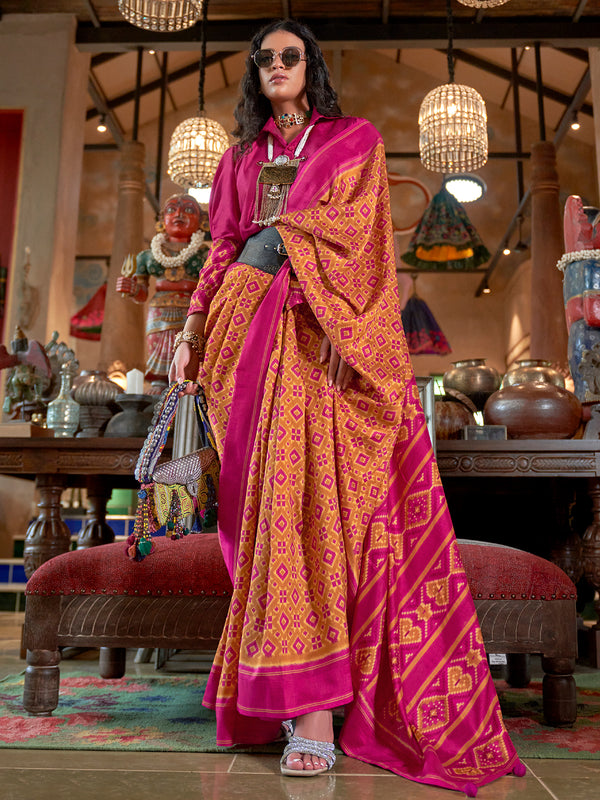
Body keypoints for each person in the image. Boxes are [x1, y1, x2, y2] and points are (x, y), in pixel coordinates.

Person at [170, 18, 523, 793]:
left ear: (312, 67)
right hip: (243, 334)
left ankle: (318, 711)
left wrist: (324, 289)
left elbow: (365, 242)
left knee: (316, 511)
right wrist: (192, 329)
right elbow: (223, 248)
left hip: (322, 334)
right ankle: (280, 694)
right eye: (263, 58)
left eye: (289, 55)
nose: (276, 66)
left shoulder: (352, 140)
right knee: (260, 510)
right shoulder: (237, 159)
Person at [117, 194, 209, 388]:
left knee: (189, 345)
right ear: (161, 220)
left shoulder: (205, 254)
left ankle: (186, 380)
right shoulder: (148, 256)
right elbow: (141, 294)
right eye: (171, 209)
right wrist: (133, 290)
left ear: (202, 222)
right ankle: (159, 383)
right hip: (159, 310)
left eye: (188, 210)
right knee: (157, 348)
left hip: (191, 310)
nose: (179, 214)